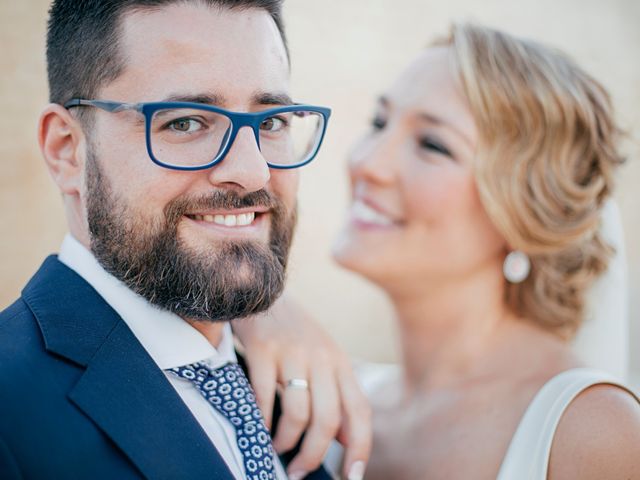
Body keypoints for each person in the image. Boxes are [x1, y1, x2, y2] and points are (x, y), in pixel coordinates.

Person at [246, 23, 640, 479]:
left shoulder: (592, 432)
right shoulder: (331, 397)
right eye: (380, 122)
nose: (367, 163)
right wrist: (259, 309)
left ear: (524, 211)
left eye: (432, 145)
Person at [0, 1, 370, 479]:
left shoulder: (290, 390)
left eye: (271, 121)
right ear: (67, 150)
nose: (251, 171)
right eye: (186, 122)